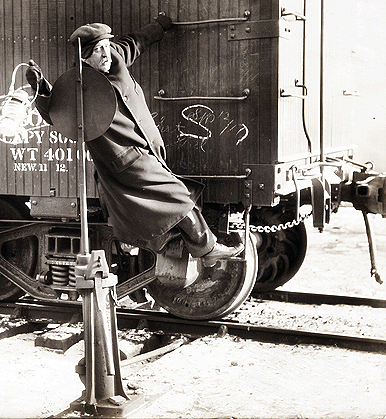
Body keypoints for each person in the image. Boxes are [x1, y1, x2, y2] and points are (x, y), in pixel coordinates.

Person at [26, 15, 243, 267]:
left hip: (149, 148)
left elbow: (136, 42)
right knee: (178, 197)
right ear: (85, 58)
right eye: (98, 51)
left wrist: (159, 27)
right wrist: (40, 88)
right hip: (125, 162)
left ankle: (177, 248)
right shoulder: (79, 86)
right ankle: (207, 250)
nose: (106, 54)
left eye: (106, 46)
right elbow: (56, 115)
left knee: (165, 206)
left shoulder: (114, 57)